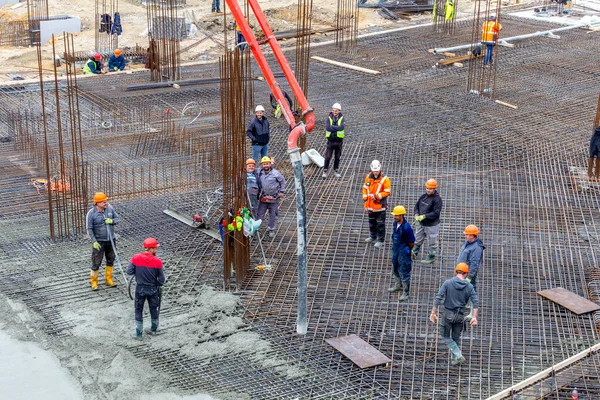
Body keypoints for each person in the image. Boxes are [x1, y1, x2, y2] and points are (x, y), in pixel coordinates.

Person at [429, 263, 479, 366]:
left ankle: (457, 354)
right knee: (456, 338)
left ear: (456, 272)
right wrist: (474, 317)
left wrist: (433, 312)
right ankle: (454, 360)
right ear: (466, 274)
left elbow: (438, 297)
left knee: (445, 336)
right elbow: (475, 302)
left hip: (447, 314)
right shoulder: (469, 286)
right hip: (460, 316)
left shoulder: (448, 283)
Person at [127, 238, 166, 340]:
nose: (156, 250)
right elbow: (162, 279)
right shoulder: (157, 261)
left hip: (140, 289)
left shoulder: (136, 258)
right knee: (154, 308)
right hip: (153, 289)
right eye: (155, 248)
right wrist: (157, 285)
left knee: (138, 310)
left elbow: (129, 271)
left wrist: (139, 272)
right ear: (151, 249)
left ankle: (138, 334)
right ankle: (153, 330)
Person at [86, 192, 120, 290]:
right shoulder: (91, 214)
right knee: (96, 262)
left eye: (106, 201)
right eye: (103, 202)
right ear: (97, 203)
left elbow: (117, 219)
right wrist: (94, 241)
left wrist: (112, 221)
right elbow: (89, 229)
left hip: (110, 239)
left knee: (111, 259)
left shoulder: (110, 209)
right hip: (99, 242)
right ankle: (94, 282)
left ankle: (108, 280)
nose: (106, 203)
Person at [457, 224, 485, 321]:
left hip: (468, 273)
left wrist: (469, 276)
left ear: (473, 235)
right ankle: (467, 305)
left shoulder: (476, 248)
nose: (466, 236)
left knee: (471, 290)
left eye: (468, 235)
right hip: (462, 272)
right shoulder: (468, 243)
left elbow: (474, 264)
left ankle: (472, 313)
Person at [388, 206, 415, 301]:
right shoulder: (395, 224)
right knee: (394, 267)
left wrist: (407, 250)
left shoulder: (407, 228)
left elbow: (411, 242)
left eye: (397, 215)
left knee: (404, 271)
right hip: (395, 249)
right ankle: (397, 285)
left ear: (402, 215)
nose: (395, 217)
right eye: (394, 215)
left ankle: (406, 292)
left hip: (403, 250)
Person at [412, 178, 443, 264]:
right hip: (421, 223)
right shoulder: (423, 196)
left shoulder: (437, 199)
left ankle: (431, 257)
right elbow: (416, 206)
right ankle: (414, 252)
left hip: (432, 224)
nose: (428, 190)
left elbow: (436, 213)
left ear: (434, 189)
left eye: (430, 189)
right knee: (418, 238)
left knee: (432, 240)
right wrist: (417, 214)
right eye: (427, 188)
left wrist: (425, 216)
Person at [362, 160, 392, 249]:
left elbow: (387, 191)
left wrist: (378, 196)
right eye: (374, 171)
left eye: (377, 171)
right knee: (371, 223)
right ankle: (373, 237)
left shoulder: (384, 179)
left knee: (380, 224)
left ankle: (380, 240)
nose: (375, 172)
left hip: (380, 207)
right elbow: (365, 187)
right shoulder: (368, 177)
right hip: (370, 206)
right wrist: (364, 196)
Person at [256, 156, 285, 238]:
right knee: (260, 214)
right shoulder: (259, 172)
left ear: (270, 164)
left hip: (274, 198)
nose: (266, 165)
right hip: (263, 197)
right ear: (262, 164)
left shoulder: (276, 173)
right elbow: (250, 169)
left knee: (272, 214)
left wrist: (282, 191)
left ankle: (271, 229)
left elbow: (282, 181)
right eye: (264, 164)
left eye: (267, 164)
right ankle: (257, 228)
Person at [322, 103, 345, 179]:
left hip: (339, 142)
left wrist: (333, 128)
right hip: (331, 141)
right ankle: (325, 171)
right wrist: (336, 128)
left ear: (339, 111)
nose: (334, 112)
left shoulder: (342, 118)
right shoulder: (329, 118)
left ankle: (336, 171)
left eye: (336, 110)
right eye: (333, 110)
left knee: (337, 157)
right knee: (328, 156)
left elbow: (341, 127)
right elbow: (328, 128)